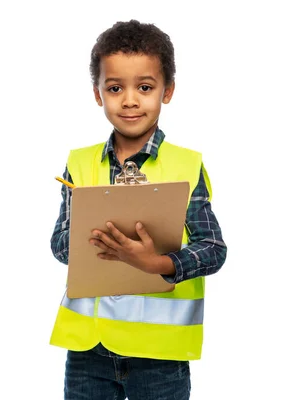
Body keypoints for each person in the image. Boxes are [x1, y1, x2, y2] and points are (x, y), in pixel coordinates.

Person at [49, 19, 227, 400]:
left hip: (159, 357)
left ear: (167, 91)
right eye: (115, 88)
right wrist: (96, 236)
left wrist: (158, 264)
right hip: (88, 351)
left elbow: (213, 248)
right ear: (98, 94)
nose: (130, 100)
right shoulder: (79, 164)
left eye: (144, 87)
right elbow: (59, 244)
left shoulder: (186, 165)